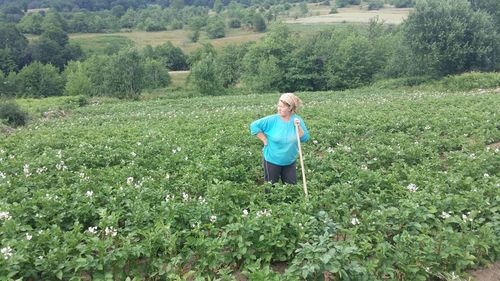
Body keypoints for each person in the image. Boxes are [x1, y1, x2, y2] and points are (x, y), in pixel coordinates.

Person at [250, 93, 310, 185]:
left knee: (291, 188)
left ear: (290, 108)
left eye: (282, 107)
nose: (279, 108)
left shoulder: (297, 120)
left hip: (289, 161)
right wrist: (264, 140)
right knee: (270, 188)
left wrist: (298, 127)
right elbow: (254, 126)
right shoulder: (272, 120)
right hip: (272, 160)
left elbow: (304, 138)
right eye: (279, 106)